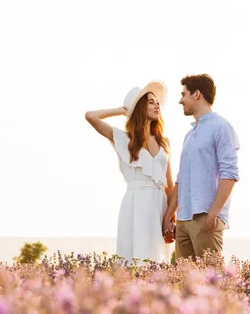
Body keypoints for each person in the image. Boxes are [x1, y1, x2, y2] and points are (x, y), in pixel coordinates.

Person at [85, 81, 174, 265]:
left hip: (159, 206)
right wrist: (122, 110)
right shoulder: (124, 139)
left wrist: (170, 219)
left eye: (157, 102)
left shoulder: (164, 141)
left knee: (157, 262)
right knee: (134, 259)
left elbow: (170, 186)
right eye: (151, 102)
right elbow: (91, 116)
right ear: (140, 108)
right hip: (136, 204)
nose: (157, 105)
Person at [162, 74, 240, 261]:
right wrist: (169, 216)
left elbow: (230, 174)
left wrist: (213, 214)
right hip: (183, 220)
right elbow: (181, 179)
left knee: (211, 283)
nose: (180, 100)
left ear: (197, 94)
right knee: (183, 284)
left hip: (205, 218)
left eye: (184, 94)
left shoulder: (221, 127)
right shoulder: (189, 135)